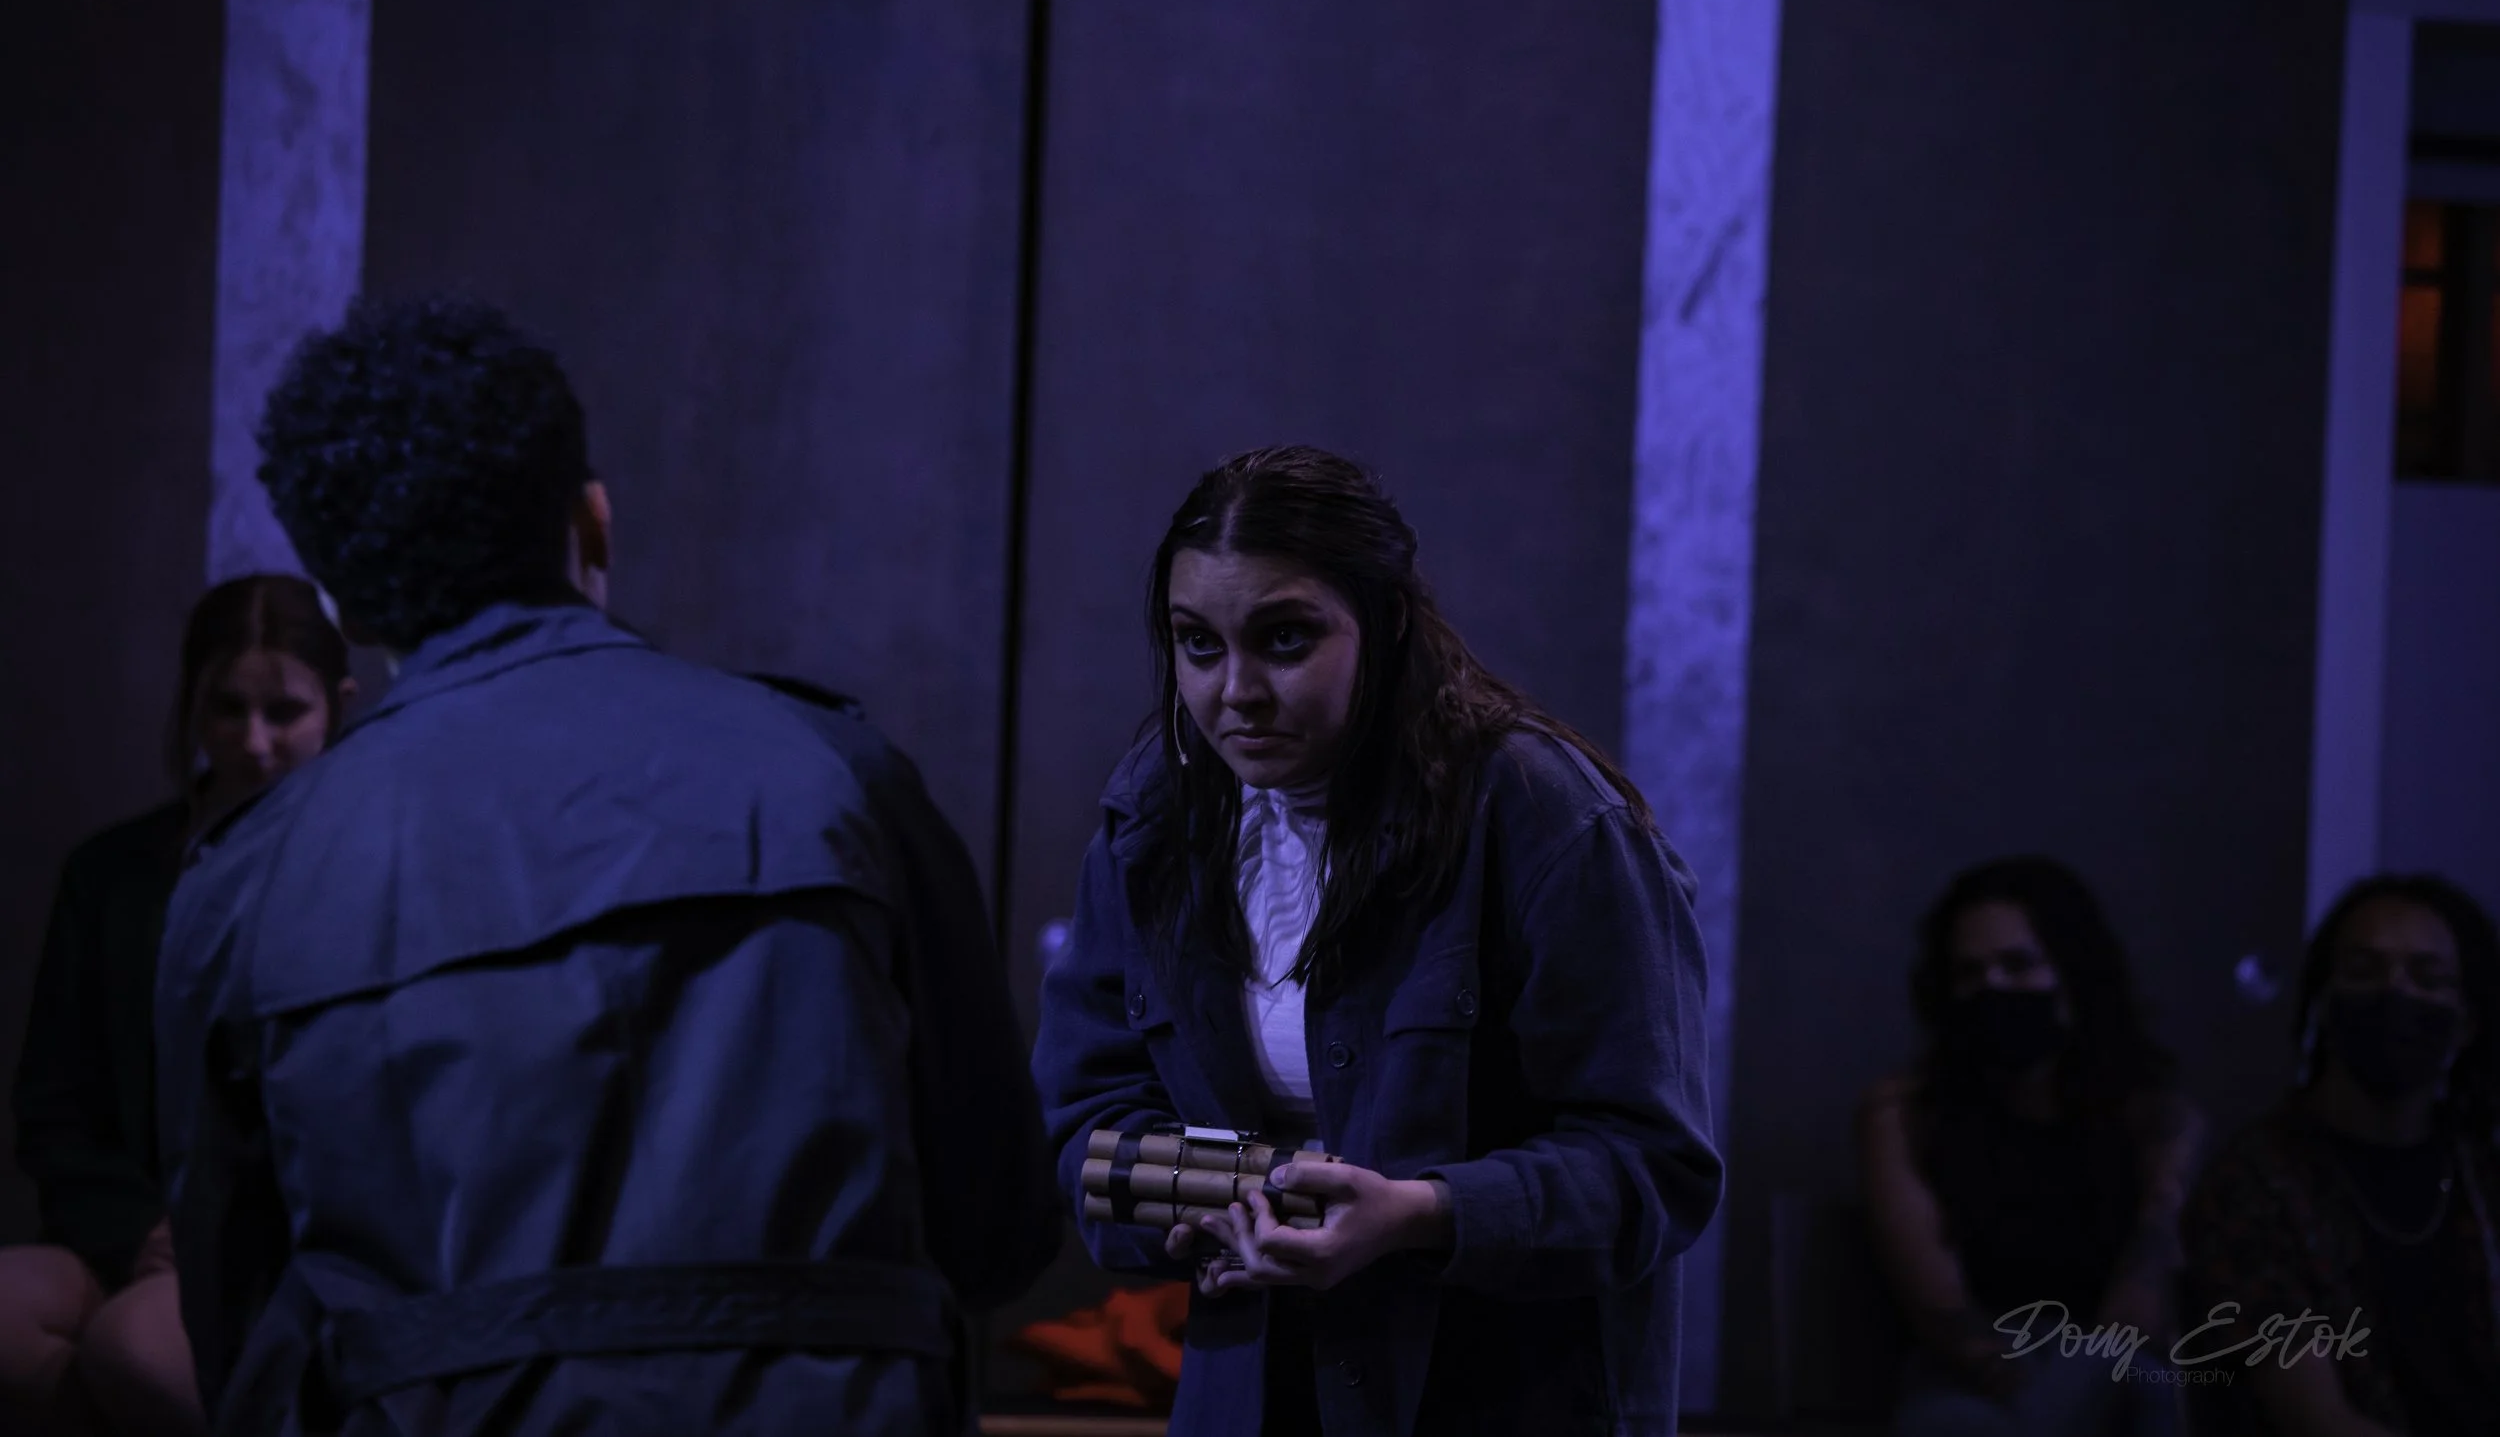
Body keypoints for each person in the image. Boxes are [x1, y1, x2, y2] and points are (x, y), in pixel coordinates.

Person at [153, 295, 1058, 1436]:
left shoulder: (249, 883)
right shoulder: (840, 776)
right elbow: (998, 1228)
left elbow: (239, 1334)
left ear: (344, 605)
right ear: (593, 521)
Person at [1029, 444, 1722, 1437]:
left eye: (1285, 638)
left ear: (1387, 622)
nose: (1236, 690)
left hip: (1498, 1394)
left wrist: (1419, 1212)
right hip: (1254, 1388)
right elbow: (1083, 1118)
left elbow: (1653, 1165)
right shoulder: (1154, 822)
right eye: (1198, 643)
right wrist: (1193, 1203)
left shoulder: (1542, 817)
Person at [3, 574, 351, 1437]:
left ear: (337, 708)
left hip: (286, 1250)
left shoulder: (365, 875)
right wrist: (136, 1230)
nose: (254, 742)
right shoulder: (112, 876)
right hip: (137, 1230)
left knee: (135, 1345)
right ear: (192, 702)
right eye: (228, 708)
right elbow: (54, 1104)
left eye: (285, 711)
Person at [1858, 857, 2203, 1437]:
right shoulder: (1902, 1115)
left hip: (2112, 1368)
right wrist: (2028, 1398)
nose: (1992, 988)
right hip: (1969, 1380)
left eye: (2018, 965)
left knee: (2144, 1387)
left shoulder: (2156, 1120)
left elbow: (2140, 1309)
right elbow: (1940, 1310)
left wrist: (2067, 1394)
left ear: (2072, 976)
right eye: (1969, 973)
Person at [2181, 874, 2500, 1437]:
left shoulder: (2481, 1176)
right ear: (2324, 1003)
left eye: (2427, 978)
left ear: (2467, 1021)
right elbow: (2315, 1419)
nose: (2395, 993)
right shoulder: (2254, 1183)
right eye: (2363, 970)